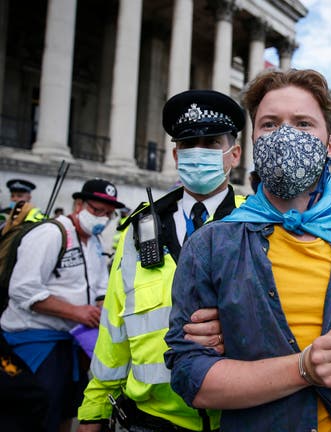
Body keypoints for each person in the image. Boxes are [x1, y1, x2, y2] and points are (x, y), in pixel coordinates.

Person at [164, 69, 331, 431]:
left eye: (303, 123)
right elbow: (192, 378)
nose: (285, 135)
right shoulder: (210, 244)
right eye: (270, 124)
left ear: (329, 145)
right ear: (253, 141)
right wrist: (304, 368)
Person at [77, 90, 247, 432]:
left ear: (235, 154)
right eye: (188, 144)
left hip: (238, 417)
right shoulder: (138, 231)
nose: (198, 152)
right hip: (149, 421)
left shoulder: (259, 225)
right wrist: (92, 410)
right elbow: (114, 328)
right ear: (175, 154)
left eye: (212, 143)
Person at [1, 178, 124, 432]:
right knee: (38, 413)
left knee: (68, 409)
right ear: (78, 205)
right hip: (35, 342)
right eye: (96, 210)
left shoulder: (94, 243)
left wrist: (101, 307)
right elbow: (23, 288)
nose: (102, 218)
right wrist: (77, 312)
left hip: (72, 341)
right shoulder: (50, 234)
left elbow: (100, 286)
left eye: (109, 214)